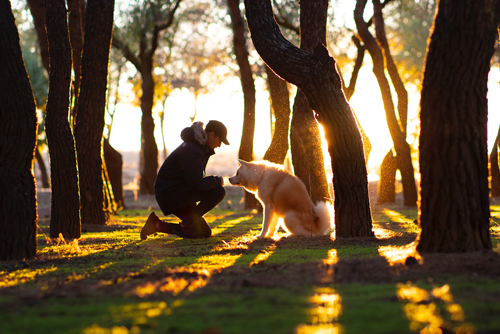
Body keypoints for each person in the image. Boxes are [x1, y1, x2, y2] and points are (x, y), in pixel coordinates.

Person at [140, 120, 229, 239]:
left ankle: (156, 225)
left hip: (178, 192)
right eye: (220, 141)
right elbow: (197, 184)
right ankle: (186, 225)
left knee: (203, 232)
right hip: (171, 194)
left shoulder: (197, 148)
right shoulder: (193, 150)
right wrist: (217, 181)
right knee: (218, 191)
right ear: (211, 135)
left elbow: (194, 180)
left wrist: (213, 180)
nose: (219, 145)